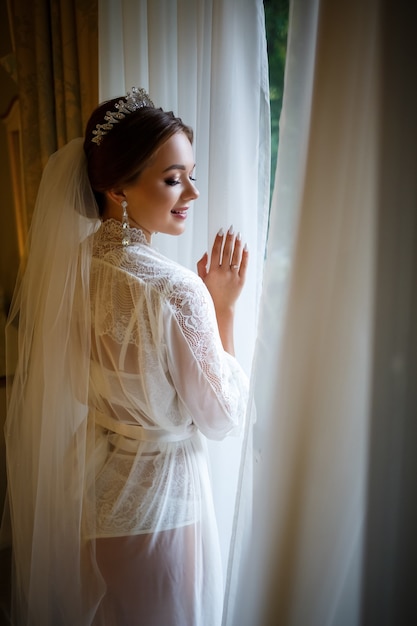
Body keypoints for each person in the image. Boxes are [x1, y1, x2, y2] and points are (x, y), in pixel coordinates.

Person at [3, 87, 249, 625]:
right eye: (173, 178)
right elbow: (221, 417)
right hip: (163, 506)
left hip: (91, 493)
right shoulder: (178, 291)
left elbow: (70, 383)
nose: (193, 193)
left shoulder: (70, 270)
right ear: (117, 187)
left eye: (190, 174)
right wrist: (222, 308)